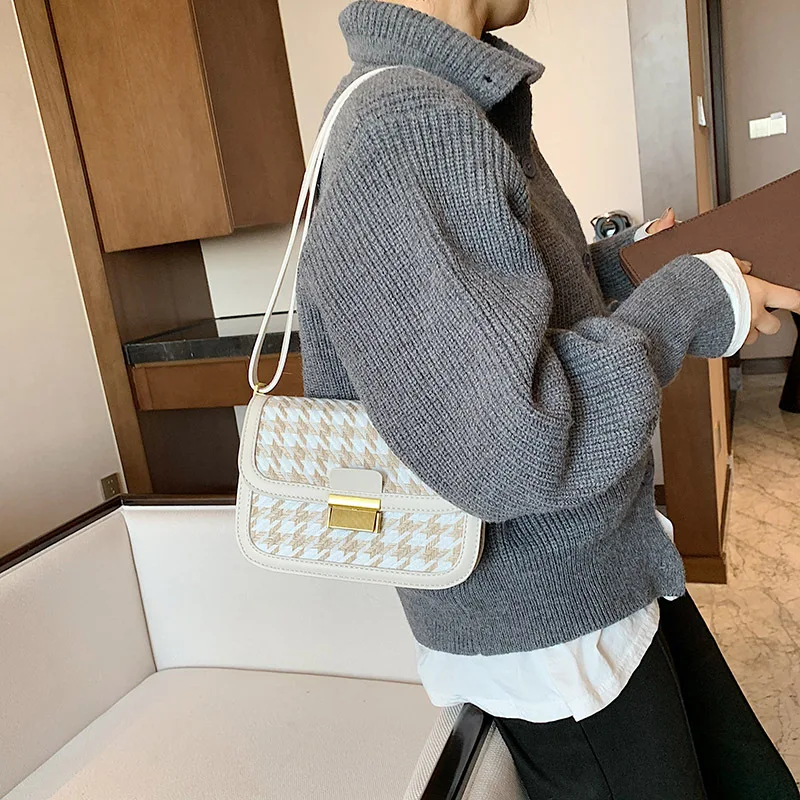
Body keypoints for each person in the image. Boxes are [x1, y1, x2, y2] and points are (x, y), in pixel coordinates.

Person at [296, 1, 800, 796]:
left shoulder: (425, 101)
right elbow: (513, 444)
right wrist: (686, 304)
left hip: (588, 584)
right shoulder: (409, 122)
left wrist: (624, 269)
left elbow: (501, 319)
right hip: (556, 626)